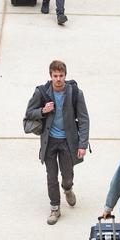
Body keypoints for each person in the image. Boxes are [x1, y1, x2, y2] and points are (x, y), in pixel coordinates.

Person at [24, 60, 90, 225]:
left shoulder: (75, 93)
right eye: (55, 76)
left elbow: (83, 120)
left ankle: (67, 189)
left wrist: (82, 145)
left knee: (67, 176)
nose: (58, 79)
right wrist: (43, 110)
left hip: (68, 142)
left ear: (65, 76)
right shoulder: (41, 92)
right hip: (50, 142)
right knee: (51, 176)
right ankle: (55, 207)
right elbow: (29, 113)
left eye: (61, 76)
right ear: (51, 76)